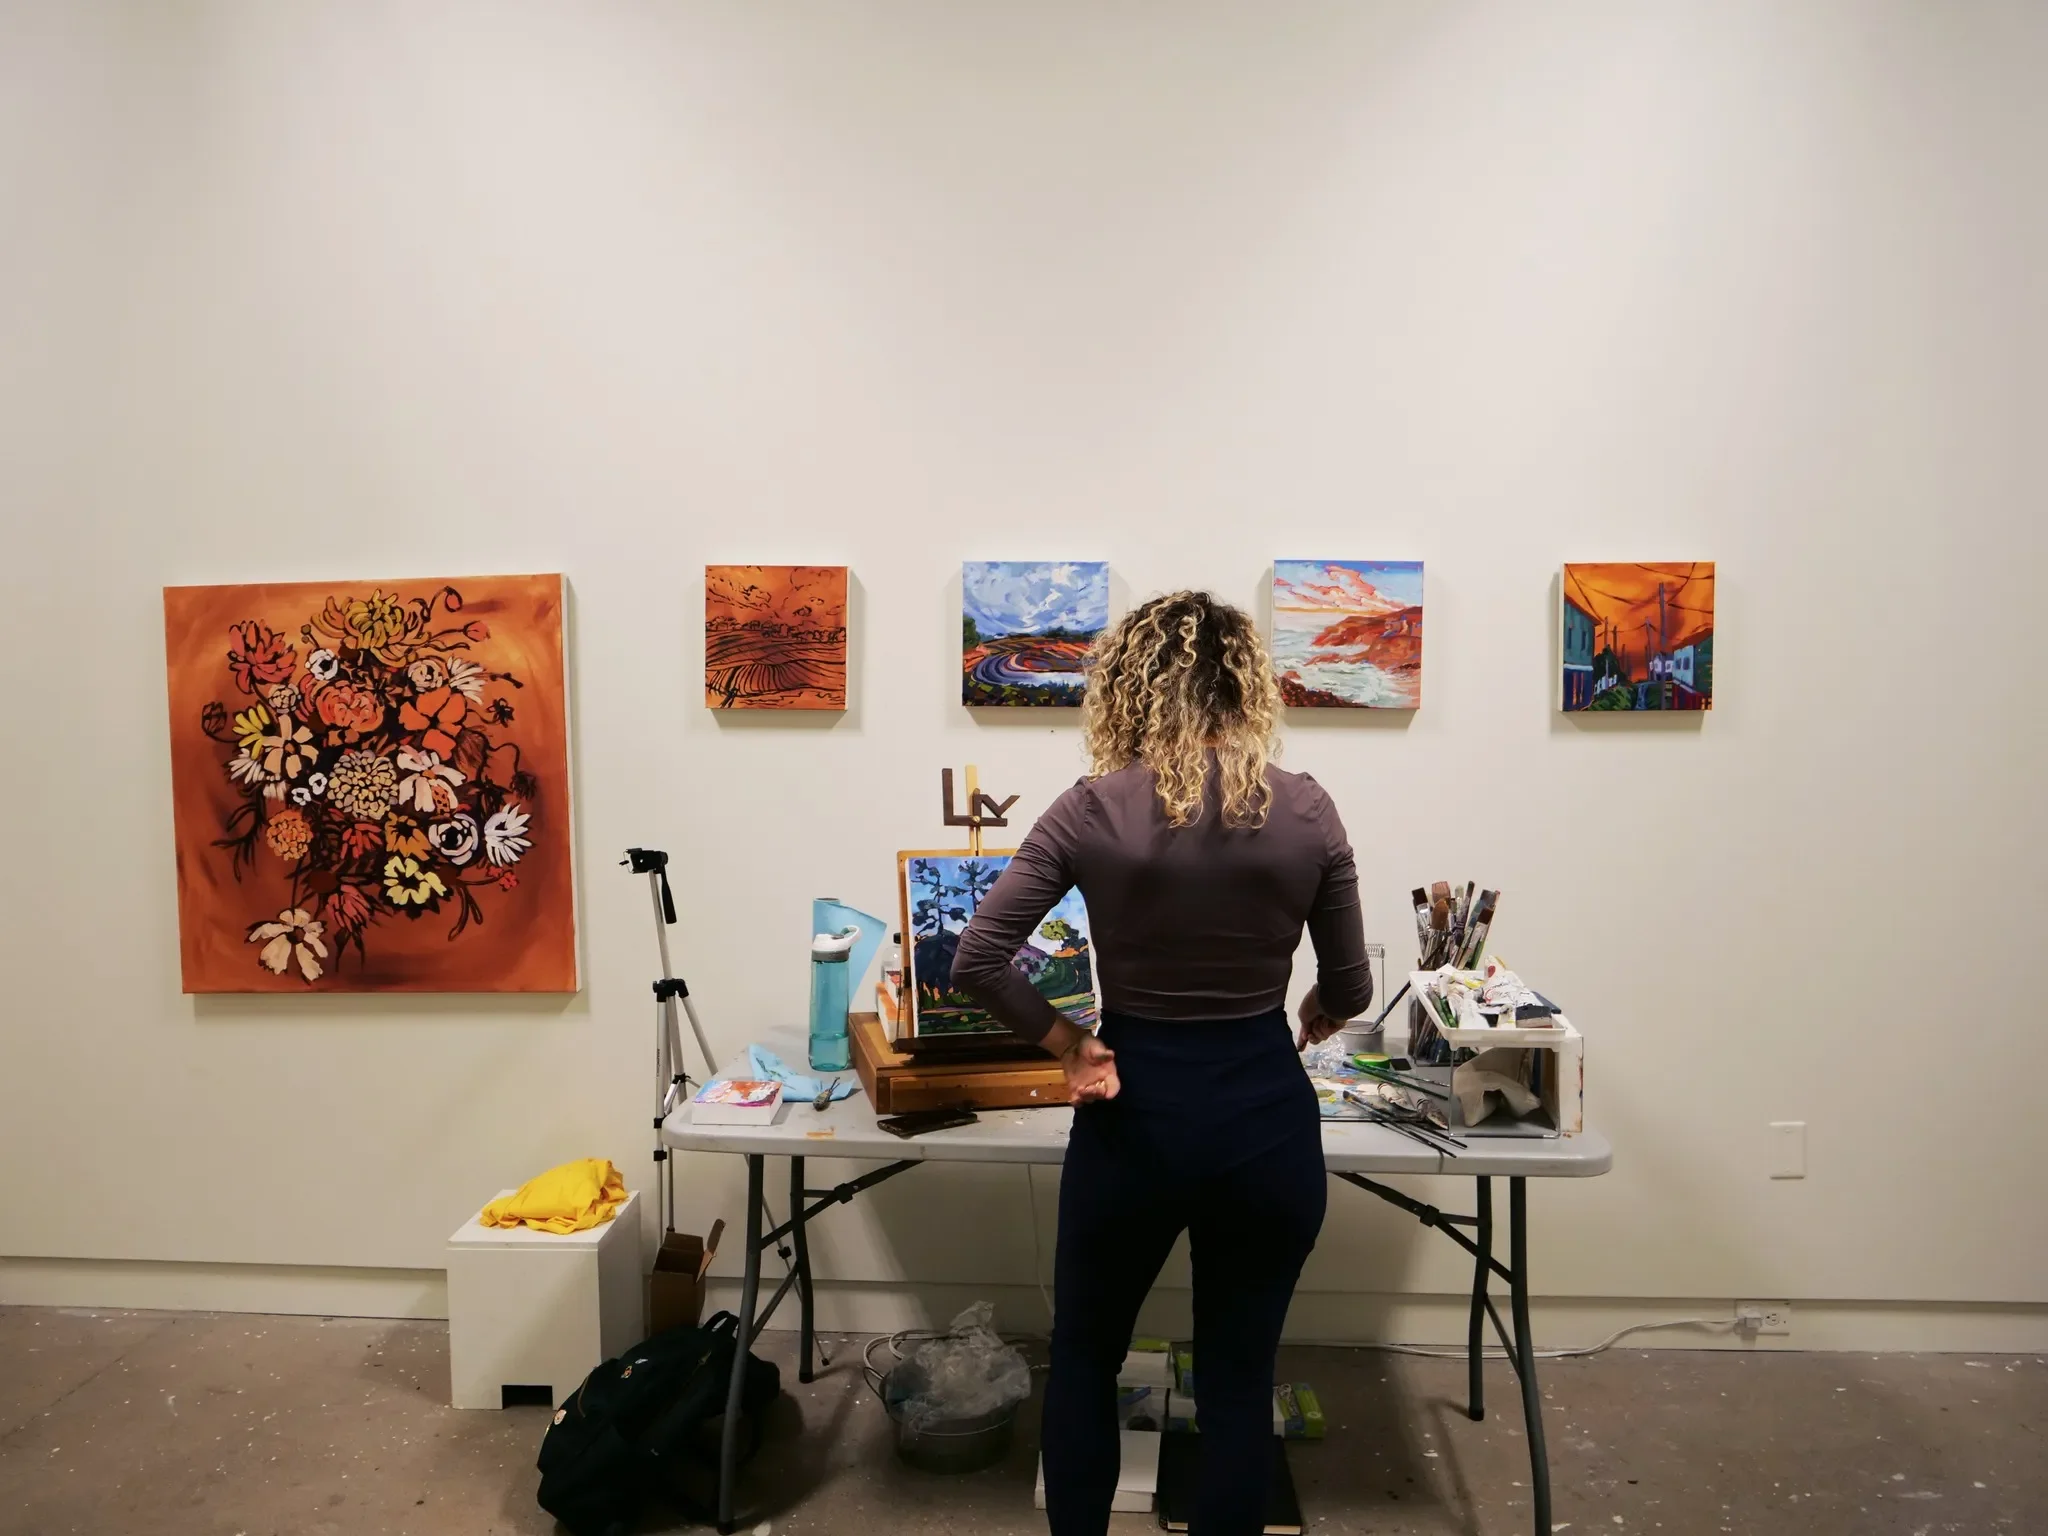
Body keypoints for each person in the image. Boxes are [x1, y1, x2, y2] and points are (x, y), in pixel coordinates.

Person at [951, 590, 1373, 1536]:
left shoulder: (1092, 807)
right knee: (1235, 1377)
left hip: (1136, 1112)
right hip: (1264, 1114)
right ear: (1248, 685)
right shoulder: (1306, 807)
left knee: (1087, 1356)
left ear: (1131, 688)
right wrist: (1313, 1009)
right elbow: (1348, 985)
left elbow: (977, 957)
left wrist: (1069, 1043)